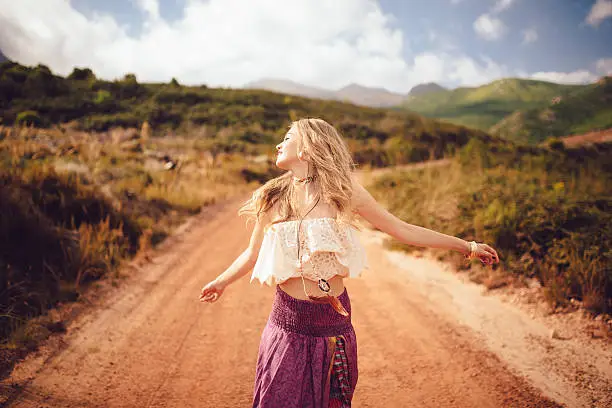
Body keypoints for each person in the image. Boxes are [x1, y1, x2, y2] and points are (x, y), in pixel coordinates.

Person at [199, 118, 500, 407]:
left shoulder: (343, 191)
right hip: (287, 323)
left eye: (288, 137)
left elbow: (402, 229)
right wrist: (221, 281)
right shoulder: (273, 197)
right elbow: (252, 254)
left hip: (332, 324)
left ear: (308, 147)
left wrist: (467, 246)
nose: (279, 144)